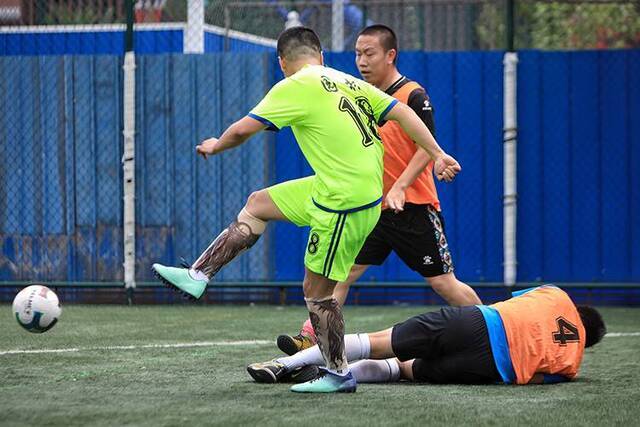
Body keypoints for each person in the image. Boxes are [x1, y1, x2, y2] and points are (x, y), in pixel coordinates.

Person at [152, 27, 461, 393]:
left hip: (344, 200)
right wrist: (438, 153)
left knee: (318, 291)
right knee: (257, 204)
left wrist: (216, 145)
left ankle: (338, 373)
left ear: (282, 62)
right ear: (321, 56)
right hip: (339, 187)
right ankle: (198, 275)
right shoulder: (348, 81)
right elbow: (405, 115)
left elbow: (241, 130)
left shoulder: (294, 84)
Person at [277, 24, 480, 357]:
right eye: (357, 53)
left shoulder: (413, 94)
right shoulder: (356, 93)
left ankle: (491, 326)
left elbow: (424, 146)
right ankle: (310, 336)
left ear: (390, 55)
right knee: (342, 275)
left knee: (443, 282)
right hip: (371, 207)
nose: (361, 61)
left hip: (413, 206)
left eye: (369, 53)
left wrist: (400, 187)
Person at [248, 285, 606, 387]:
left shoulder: (557, 294)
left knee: (377, 341)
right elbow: (541, 377)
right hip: (490, 369)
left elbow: (517, 302)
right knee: (402, 369)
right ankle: (334, 375)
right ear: (586, 341)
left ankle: (283, 364)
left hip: (480, 323)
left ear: (579, 308)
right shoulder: (572, 364)